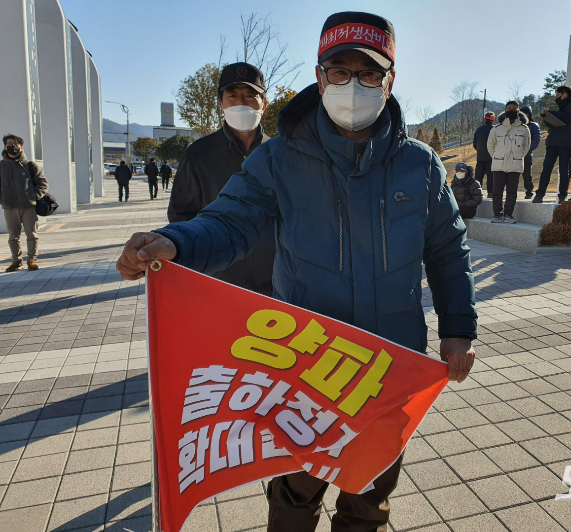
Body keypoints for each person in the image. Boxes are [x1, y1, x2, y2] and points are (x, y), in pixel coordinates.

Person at [116, 12, 476, 531]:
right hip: (310, 366)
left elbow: (447, 250)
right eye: (340, 71)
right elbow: (228, 221)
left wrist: (459, 329)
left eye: (369, 73)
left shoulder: (419, 165)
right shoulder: (278, 160)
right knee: (296, 490)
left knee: (371, 492)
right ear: (319, 76)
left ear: (389, 81)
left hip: (390, 366)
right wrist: (173, 242)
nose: (353, 85)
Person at [167, 62, 274, 293]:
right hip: (219, 282)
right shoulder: (198, 154)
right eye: (232, 96)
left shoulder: (277, 153)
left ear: (263, 105)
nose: (241, 103)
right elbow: (181, 215)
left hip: (275, 283)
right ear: (220, 104)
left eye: (249, 96)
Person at [0, 134, 48, 272]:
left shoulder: (30, 166)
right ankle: (16, 261)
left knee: (31, 234)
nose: (12, 147)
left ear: (21, 147)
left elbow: (43, 183)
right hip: (9, 207)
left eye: (15, 144)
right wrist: (2, 200)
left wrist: (33, 197)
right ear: (4, 146)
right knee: (13, 236)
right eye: (9, 144)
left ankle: (32, 259)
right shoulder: (1, 166)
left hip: (28, 207)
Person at [533, 85, 571, 203]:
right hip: (553, 142)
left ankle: (562, 196)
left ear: (565, 94)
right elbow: (552, 124)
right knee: (546, 168)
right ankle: (540, 194)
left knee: (563, 170)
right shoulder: (561, 107)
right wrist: (546, 117)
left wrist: (551, 113)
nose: (557, 98)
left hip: (566, 143)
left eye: (558, 95)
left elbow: (567, 117)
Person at [487, 101, 531, 223]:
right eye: (509, 108)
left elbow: (526, 147)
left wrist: (517, 157)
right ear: (505, 110)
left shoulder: (524, 129)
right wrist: (497, 157)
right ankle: (497, 214)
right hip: (498, 165)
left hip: (515, 165)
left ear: (518, 111)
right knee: (497, 191)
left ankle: (508, 215)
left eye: (514, 108)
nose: (511, 110)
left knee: (512, 192)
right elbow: (490, 146)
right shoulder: (497, 128)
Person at [473, 111, 496, 197]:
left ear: (484, 119)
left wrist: (480, 150)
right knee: (491, 177)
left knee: (478, 177)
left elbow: (474, 144)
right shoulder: (495, 129)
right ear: (493, 120)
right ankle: (490, 192)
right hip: (492, 158)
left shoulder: (478, 130)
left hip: (480, 157)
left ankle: (476, 192)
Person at [520, 106, 541, 199]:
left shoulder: (534, 126)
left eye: (526, 113)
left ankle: (529, 191)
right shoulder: (517, 125)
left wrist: (528, 149)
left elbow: (536, 140)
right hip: (515, 154)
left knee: (527, 174)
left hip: (527, 155)